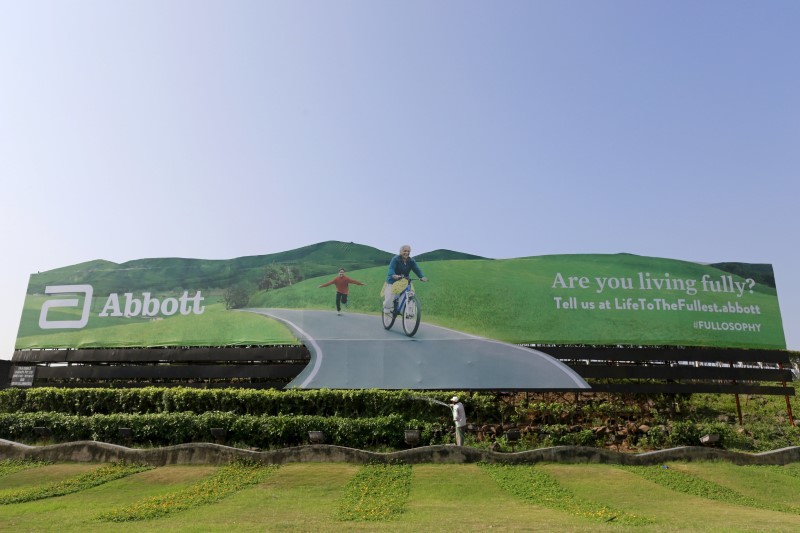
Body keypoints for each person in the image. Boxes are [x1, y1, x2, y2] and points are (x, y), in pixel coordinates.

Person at [382, 244, 428, 312]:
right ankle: (387, 308)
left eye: (408, 251)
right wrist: (393, 275)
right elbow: (391, 268)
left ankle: (407, 311)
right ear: (400, 251)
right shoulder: (395, 259)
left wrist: (422, 277)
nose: (406, 253)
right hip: (393, 280)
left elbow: (417, 269)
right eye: (405, 251)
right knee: (389, 297)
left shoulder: (411, 261)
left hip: (405, 280)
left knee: (410, 294)